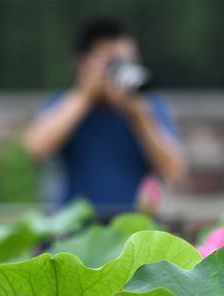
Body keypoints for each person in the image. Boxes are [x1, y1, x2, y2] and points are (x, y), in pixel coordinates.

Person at [24, 17, 186, 216]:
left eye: (128, 62)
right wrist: (84, 96)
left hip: (134, 224)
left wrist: (138, 116)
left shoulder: (148, 106)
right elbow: (35, 149)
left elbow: (174, 171)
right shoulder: (65, 103)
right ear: (82, 62)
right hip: (75, 223)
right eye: (113, 63)